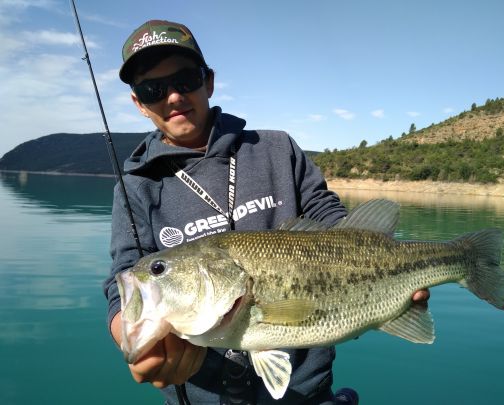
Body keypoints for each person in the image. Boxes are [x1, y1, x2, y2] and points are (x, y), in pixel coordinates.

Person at [103, 20, 429, 404]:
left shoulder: (277, 149)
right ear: (139, 103)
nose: (173, 96)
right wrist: (133, 336)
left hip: (308, 394)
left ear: (208, 81)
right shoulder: (136, 189)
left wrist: (376, 272)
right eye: (152, 89)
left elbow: (329, 218)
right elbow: (121, 283)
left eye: (186, 79)